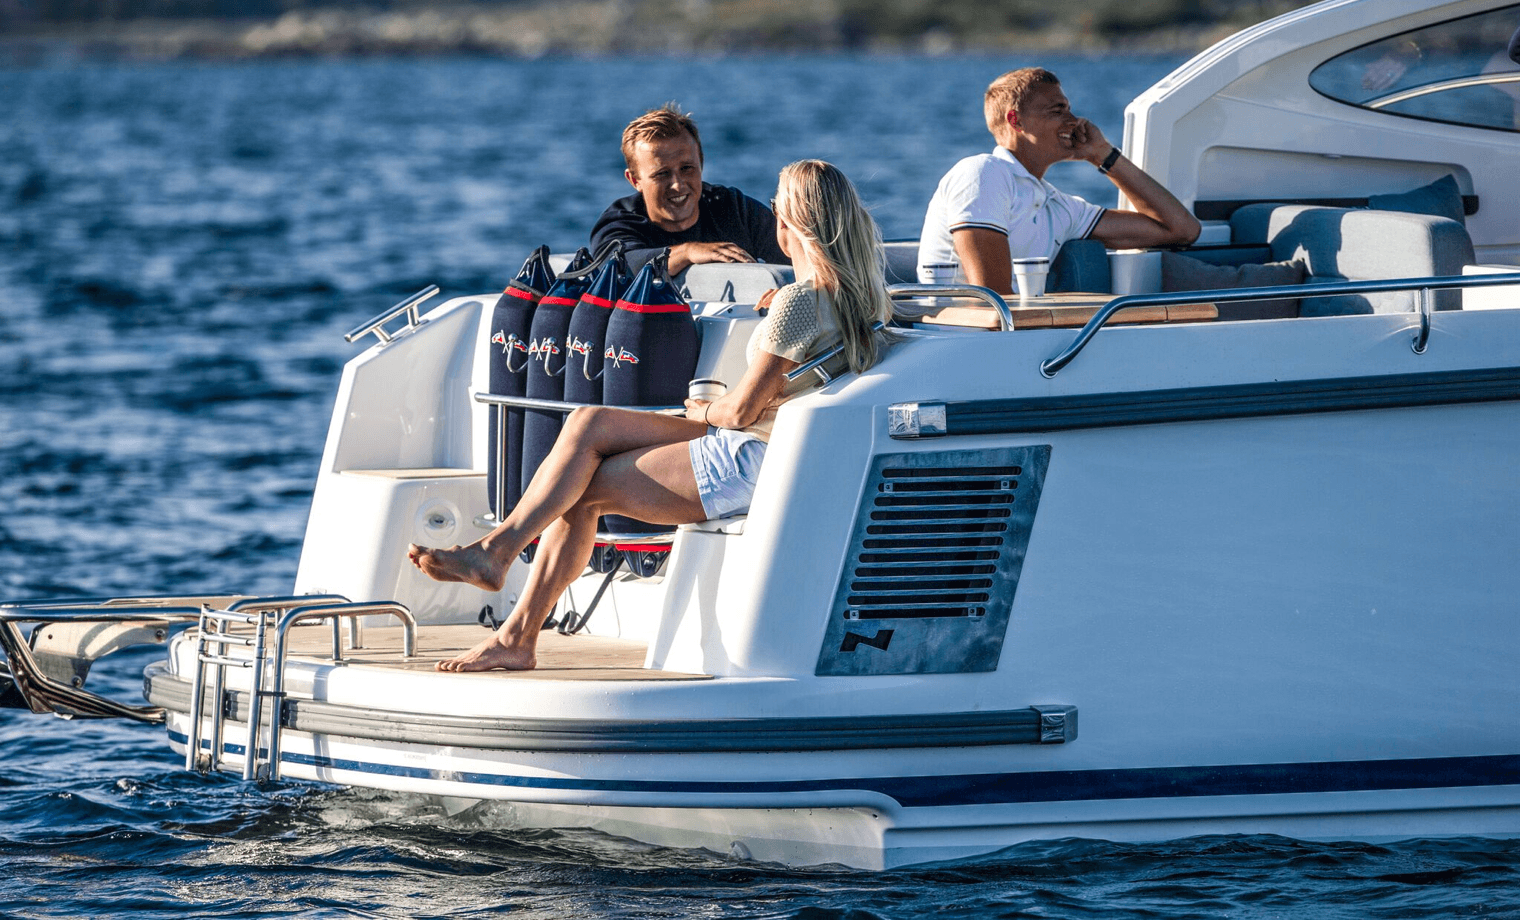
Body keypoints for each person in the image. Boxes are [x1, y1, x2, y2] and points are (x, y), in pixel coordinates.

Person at [411, 159, 893, 672]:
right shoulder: (866, 296)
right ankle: (497, 553)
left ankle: (513, 625)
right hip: (774, 444)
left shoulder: (798, 303)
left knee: (581, 488)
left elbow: (741, 410)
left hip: (750, 453)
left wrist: (705, 407)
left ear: (789, 220)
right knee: (589, 422)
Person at [917, 67, 1200, 294]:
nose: (1074, 120)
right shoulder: (983, 174)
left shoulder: (1058, 206)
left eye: (1069, 109)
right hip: (962, 339)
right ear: (1015, 121)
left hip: (1015, 337)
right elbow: (993, 302)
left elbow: (1182, 230)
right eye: (1057, 111)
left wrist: (1104, 155)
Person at [590, 104, 790, 274]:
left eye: (687, 168)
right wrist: (688, 253)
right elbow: (618, 267)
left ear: (701, 163)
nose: (678, 184)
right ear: (635, 180)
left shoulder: (735, 210)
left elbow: (796, 254)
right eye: (662, 174)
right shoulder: (619, 223)